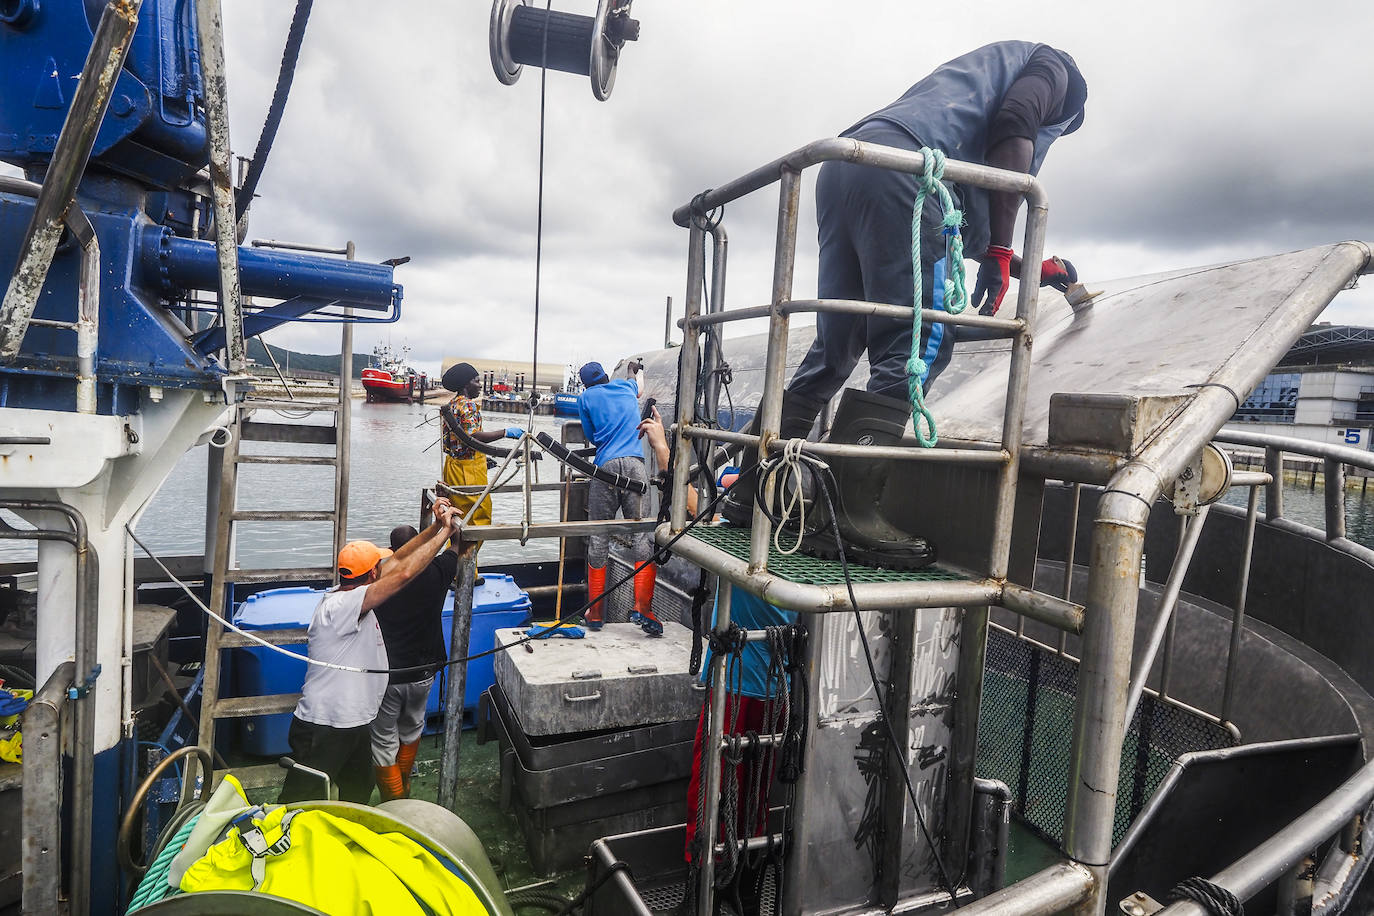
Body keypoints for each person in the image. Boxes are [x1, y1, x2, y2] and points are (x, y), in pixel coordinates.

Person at [724, 42, 1088, 569]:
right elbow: (1015, 128)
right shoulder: (1055, 69)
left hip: (849, 162)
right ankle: (847, 516)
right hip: (907, 172)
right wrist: (1006, 249)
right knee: (918, 345)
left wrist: (1025, 265)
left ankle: (747, 490)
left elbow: (966, 222)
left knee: (836, 347)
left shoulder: (976, 79)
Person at [278, 500, 460, 804]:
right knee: (302, 800)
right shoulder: (345, 605)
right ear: (374, 573)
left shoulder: (346, 592)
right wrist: (445, 533)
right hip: (325, 725)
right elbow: (403, 574)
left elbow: (400, 560)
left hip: (355, 723)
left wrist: (434, 527)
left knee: (359, 789)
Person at [684, 588, 800, 911]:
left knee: (733, 787)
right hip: (751, 679)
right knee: (732, 788)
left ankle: (730, 881)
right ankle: (724, 883)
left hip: (756, 680)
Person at [369, 523, 460, 801]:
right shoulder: (437, 572)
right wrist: (446, 527)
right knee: (411, 729)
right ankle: (404, 785)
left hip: (388, 675)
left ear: (393, 551)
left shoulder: (379, 579)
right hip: (423, 672)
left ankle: (394, 800)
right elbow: (457, 547)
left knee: (384, 740)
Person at [576, 359, 660, 636]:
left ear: (586, 383)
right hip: (635, 466)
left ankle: (596, 613)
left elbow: (591, 436)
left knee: (599, 534)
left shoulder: (585, 398)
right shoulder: (625, 387)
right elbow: (640, 385)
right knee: (640, 534)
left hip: (605, 468)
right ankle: (643, 608)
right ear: (604, 376)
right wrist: (636, 369)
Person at [438, 362, 524, 552]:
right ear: (466, 384)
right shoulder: (468, 405)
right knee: (478, 519)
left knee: (458, 517)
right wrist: (506, 432)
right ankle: (466, 571)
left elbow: (458, 440)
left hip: (452, 466)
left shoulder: (451, 404)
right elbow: (474, 436)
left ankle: (454, 568)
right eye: (476, 381)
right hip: (468, 469)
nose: (480, 385)